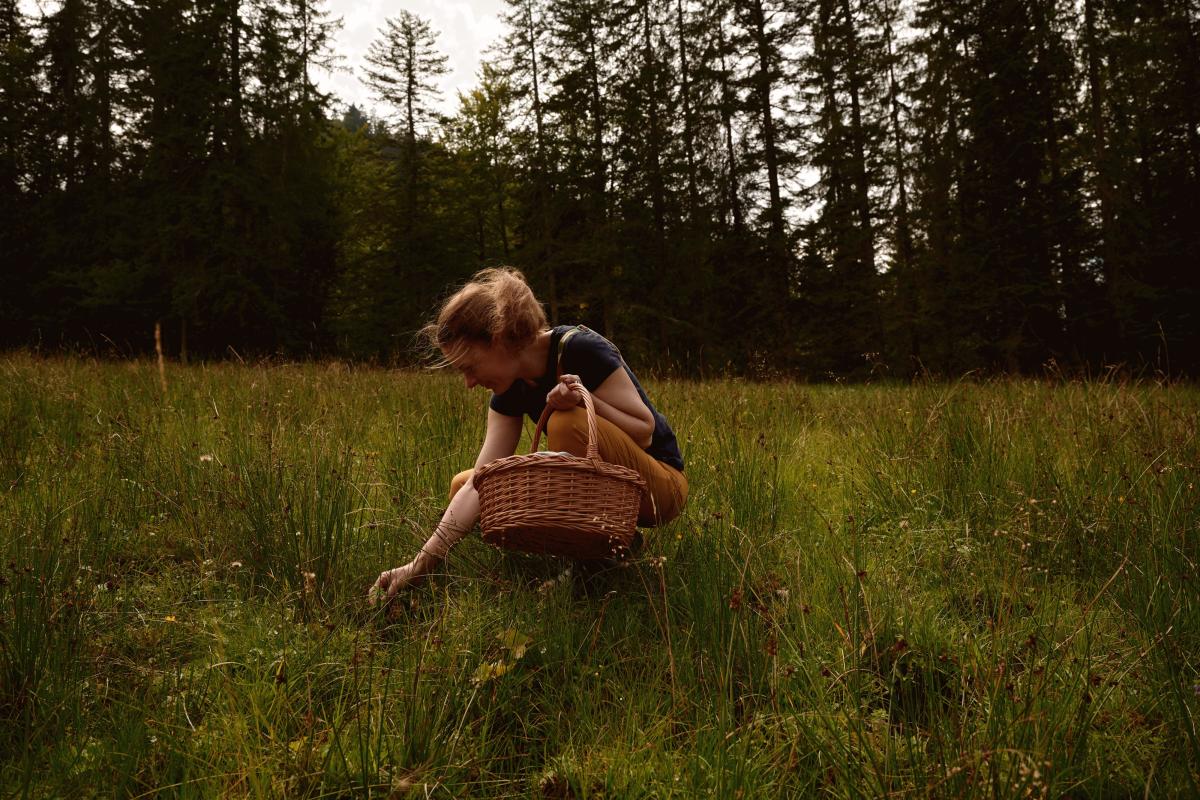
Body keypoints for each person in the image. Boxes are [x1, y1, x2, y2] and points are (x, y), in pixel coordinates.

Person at [369, 267, 688, 603]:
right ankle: (613, 547)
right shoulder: (509, 388)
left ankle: (593, 567)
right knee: (469, 486)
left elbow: (645, 430)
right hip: (605, 493)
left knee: (567, 422)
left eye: (470, 367)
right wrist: (419, 564)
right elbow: (480, 482)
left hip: (658, 486)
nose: (469, 382)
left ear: (499, 339)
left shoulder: (580, 349)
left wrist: (586, 399)